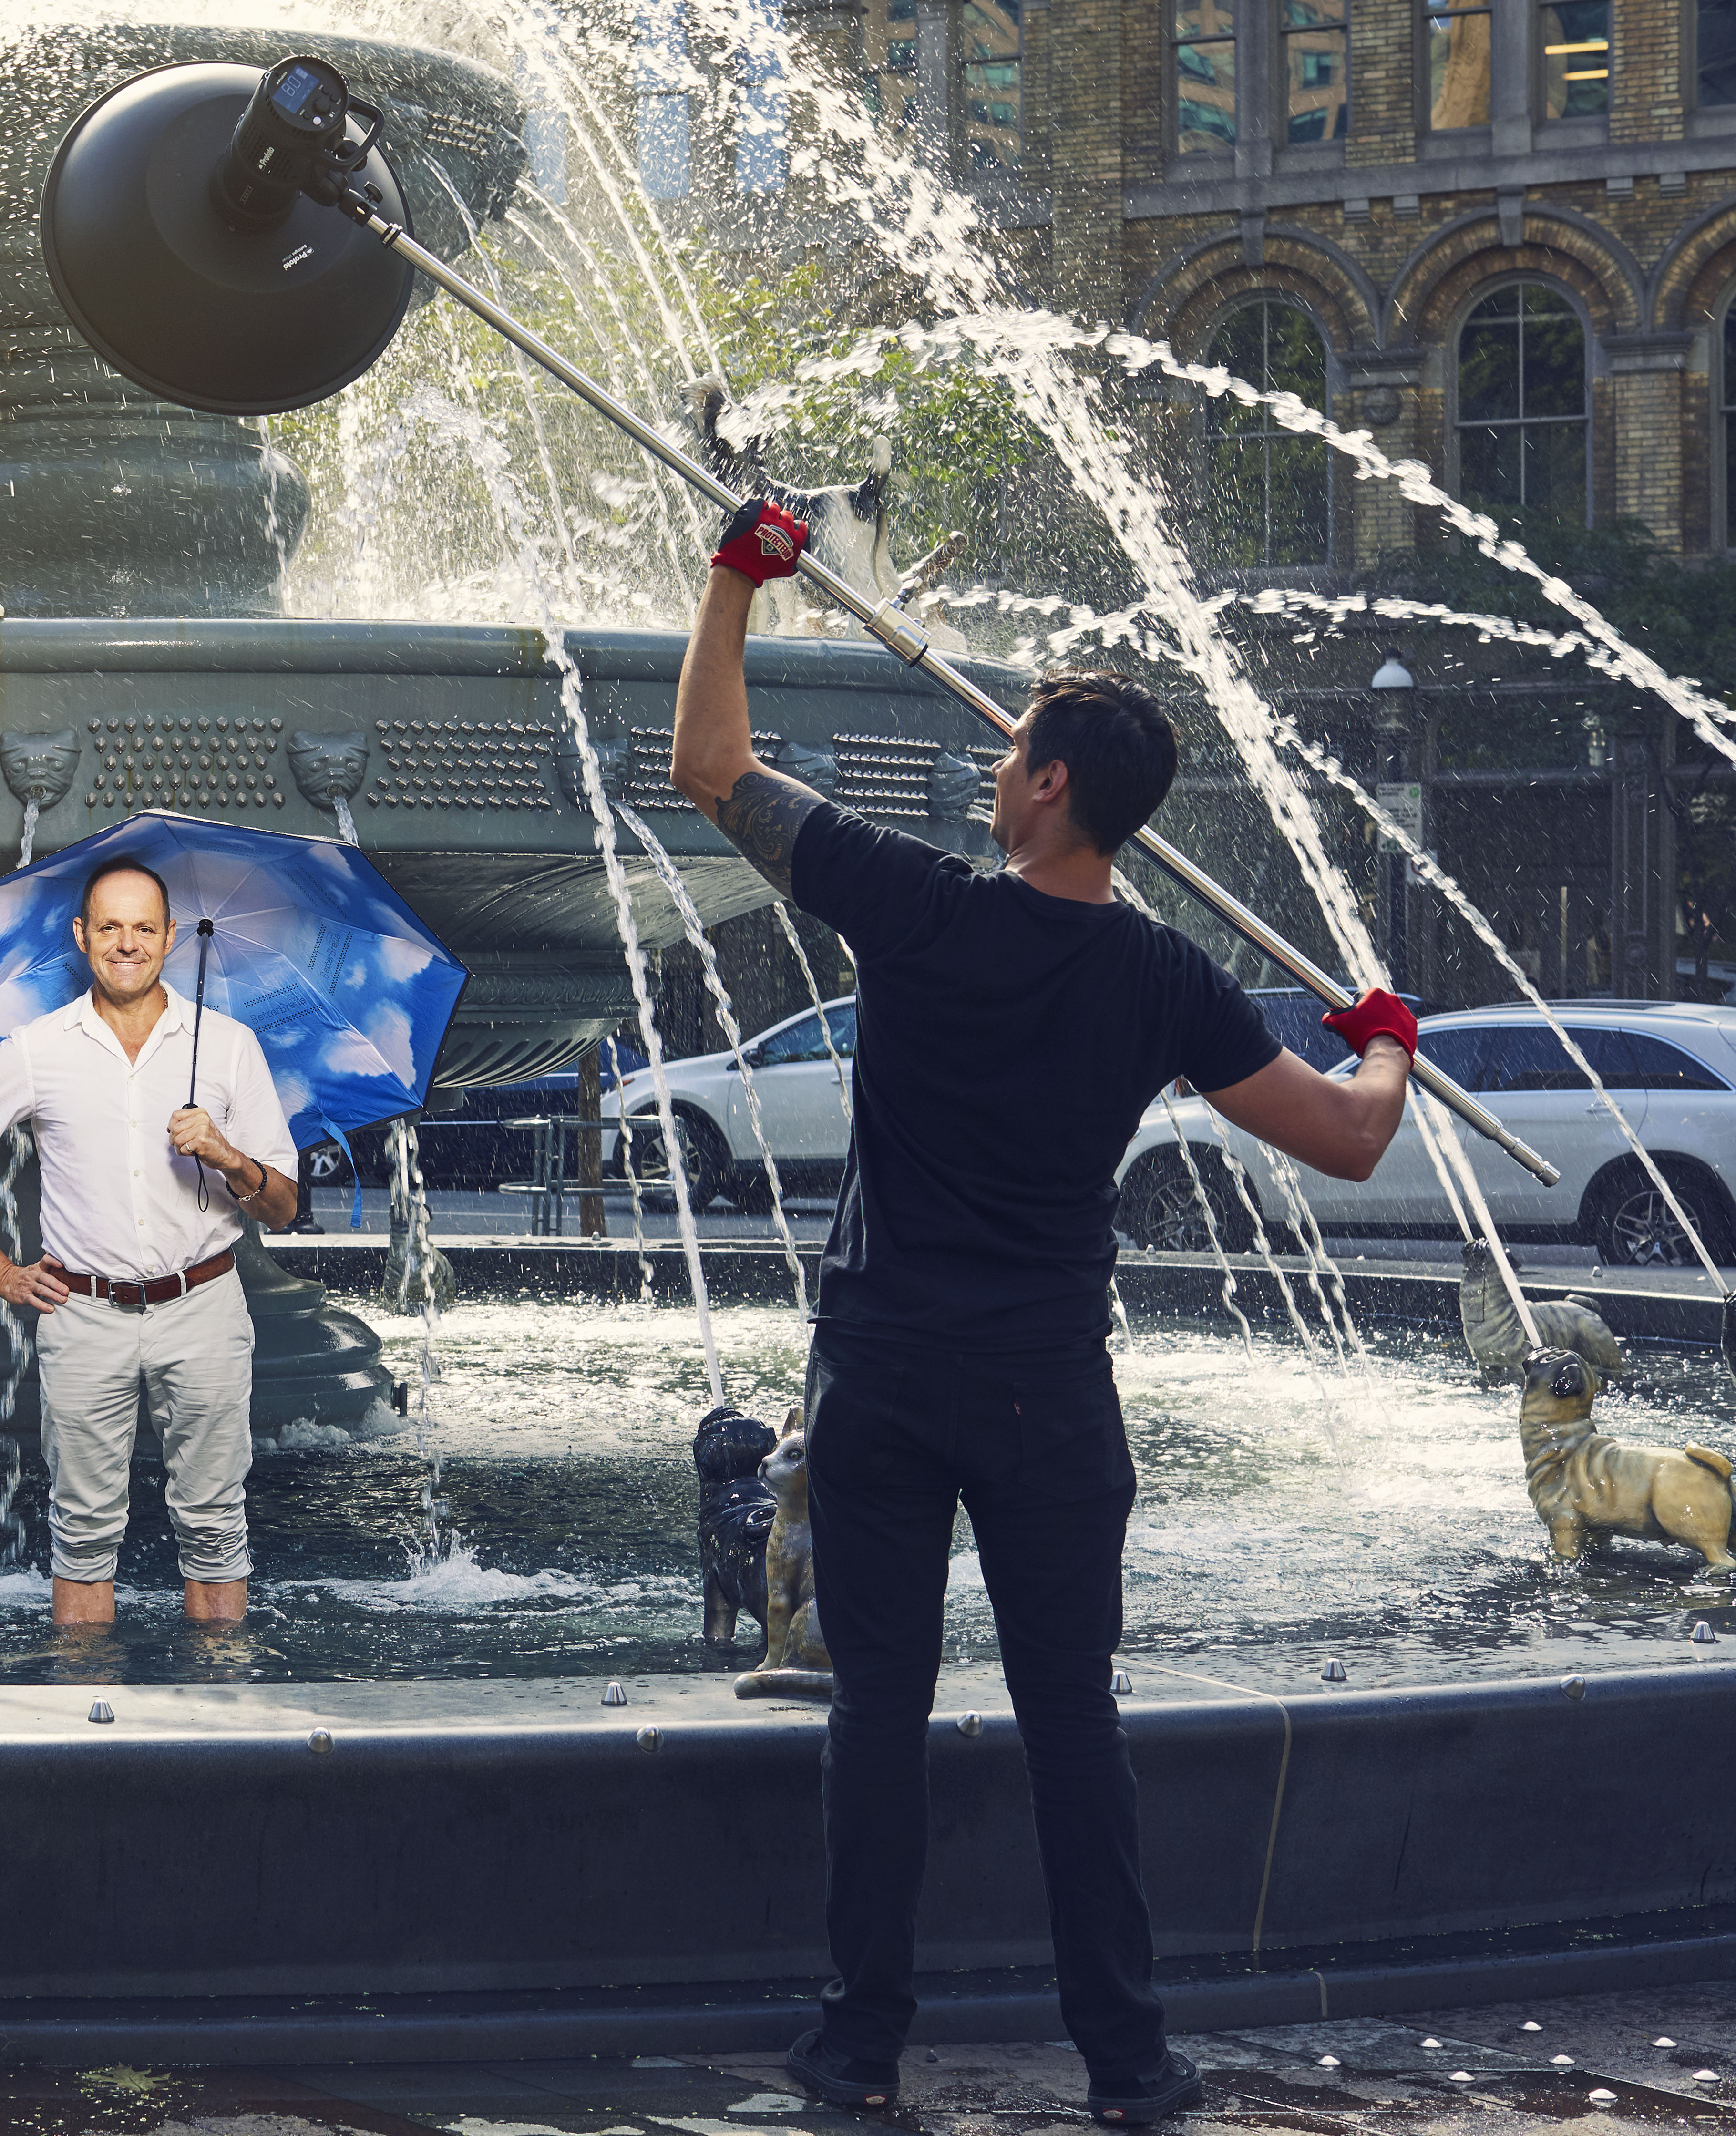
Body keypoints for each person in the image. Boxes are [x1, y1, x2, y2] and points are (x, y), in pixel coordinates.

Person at [669, 496, 1418, 2127]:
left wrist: (736, 583)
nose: (995, 770)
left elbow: (711, 766)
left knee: (877, 1712)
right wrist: (1383, 1038)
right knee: (1075, 1718)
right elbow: (1357, 1141)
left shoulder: (920, 907)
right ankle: (1132, 2062)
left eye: (1015, 754)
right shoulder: (1164, 979)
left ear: (1053, 786)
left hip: (885, 1372)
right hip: (1046, 1394)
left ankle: (860, 2047)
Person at [0, 860, 299, 1625]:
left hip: (205, 1308)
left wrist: (228, 1156)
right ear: (83, 937)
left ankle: (217, 1717)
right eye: (110, 927)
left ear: (171, 938)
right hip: (84, 1318)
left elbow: (282, 1208)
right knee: (81, 1538)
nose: (127, 944)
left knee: (218, 1529)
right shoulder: (38, 1048)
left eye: (144, 928)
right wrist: (0, 1271)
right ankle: (82, 1719)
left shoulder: (227, 1047)